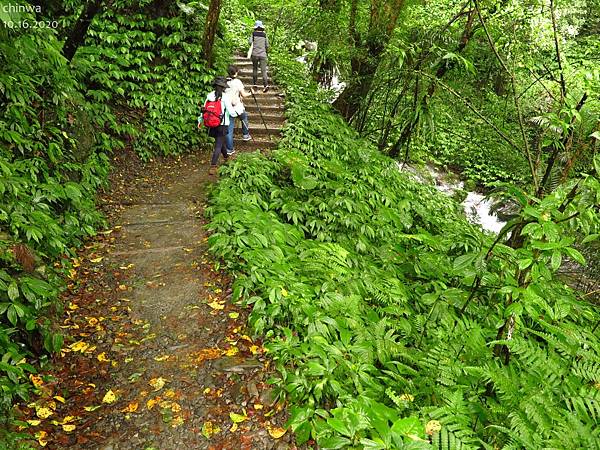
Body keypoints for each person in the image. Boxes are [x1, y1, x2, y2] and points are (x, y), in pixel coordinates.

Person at [203, 76, 236, 175]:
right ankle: (213, 166)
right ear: (224, 87)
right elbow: (231, 112)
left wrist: (200, 120)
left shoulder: (209, 96)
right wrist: (237, 113)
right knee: (218, 145)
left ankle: (226, 158)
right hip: (222, 124)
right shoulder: (225, 97)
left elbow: (204, 109)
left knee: (220, 141)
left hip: (212, 123)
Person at [225, 65, 254, 153]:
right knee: (244, 117)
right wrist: (251, 93)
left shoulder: (225, 81)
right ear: (236, 72)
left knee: (229, 129)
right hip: (237, 107)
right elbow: (244, 94)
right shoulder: (237, 82)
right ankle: (245, 135)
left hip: (228, 107)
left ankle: (229, 149)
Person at [249, 20, 269, 92]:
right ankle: (266, 85)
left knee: (255, 69)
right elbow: (267, 45)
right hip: (263, 54)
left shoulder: (253, 34)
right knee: (264, 70)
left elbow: (250, 42)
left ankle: (255, 84)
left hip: (255, 54)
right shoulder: (264, 35)